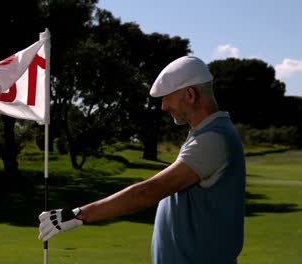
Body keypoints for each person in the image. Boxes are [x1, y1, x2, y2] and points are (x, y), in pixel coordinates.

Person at [38, 56, 246, 264]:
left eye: (167, 98)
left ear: (190, 94)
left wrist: (79, 214)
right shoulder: (206, 134)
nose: (163, 106)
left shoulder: (213, 139)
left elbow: (148, 192)